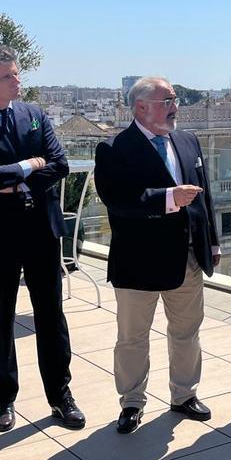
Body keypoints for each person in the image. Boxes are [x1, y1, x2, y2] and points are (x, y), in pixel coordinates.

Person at [0, 45, 83, 433]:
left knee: (51, 314)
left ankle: (61, 395)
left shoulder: (34, 114)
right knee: (0, 316)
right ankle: (3, 400)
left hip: (42, 230)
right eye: (7, 76)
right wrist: (32, 164)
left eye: (17, 73)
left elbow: (60, 164)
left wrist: (18, 181)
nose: (17, 81)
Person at [94, 76, 220, 433]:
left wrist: (212, 242)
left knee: (187, 332)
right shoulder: (115, 148)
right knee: (133, 338)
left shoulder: (187, 139)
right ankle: (132, 402)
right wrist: (169, 199)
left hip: (188, 259)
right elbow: (118, 201)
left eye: (175, 99)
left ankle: (184, 395)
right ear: (141, 107)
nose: (175, 106)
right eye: (167, 100)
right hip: (139, 263)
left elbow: (204, 195)